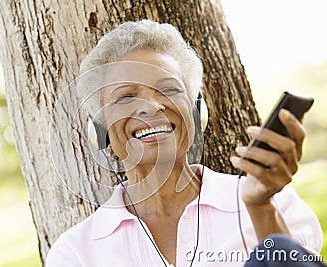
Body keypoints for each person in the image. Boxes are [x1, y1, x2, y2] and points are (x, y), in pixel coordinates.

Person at [46, 20, 323, 267]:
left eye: (168, 89)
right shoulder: (75, 253)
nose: (151, 106)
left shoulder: (279, 206)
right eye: (126, 97)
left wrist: (261, 207)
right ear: (100, 128)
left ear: (195, 112)